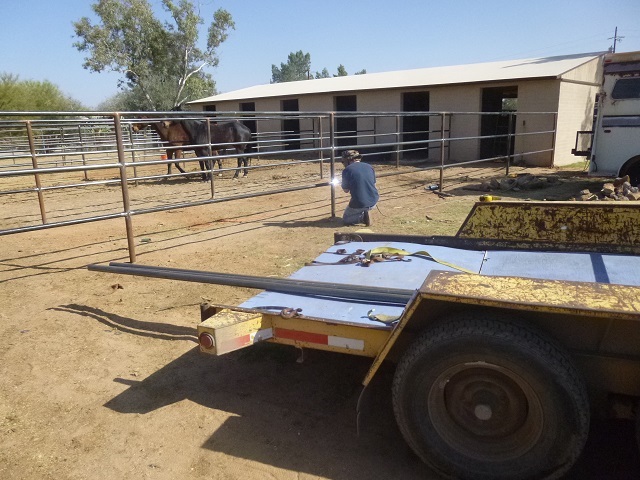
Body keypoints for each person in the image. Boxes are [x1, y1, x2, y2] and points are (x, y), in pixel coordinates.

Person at [340, 150, 379, 226]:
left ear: (348, 160)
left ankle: (363, 217)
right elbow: (374, 183)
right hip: (374, 200)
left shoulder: (347, 170)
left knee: (346, 219)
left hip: (359, 202)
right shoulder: (369, 166)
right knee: (360, 207)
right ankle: (365, 211)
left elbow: (346, 190)